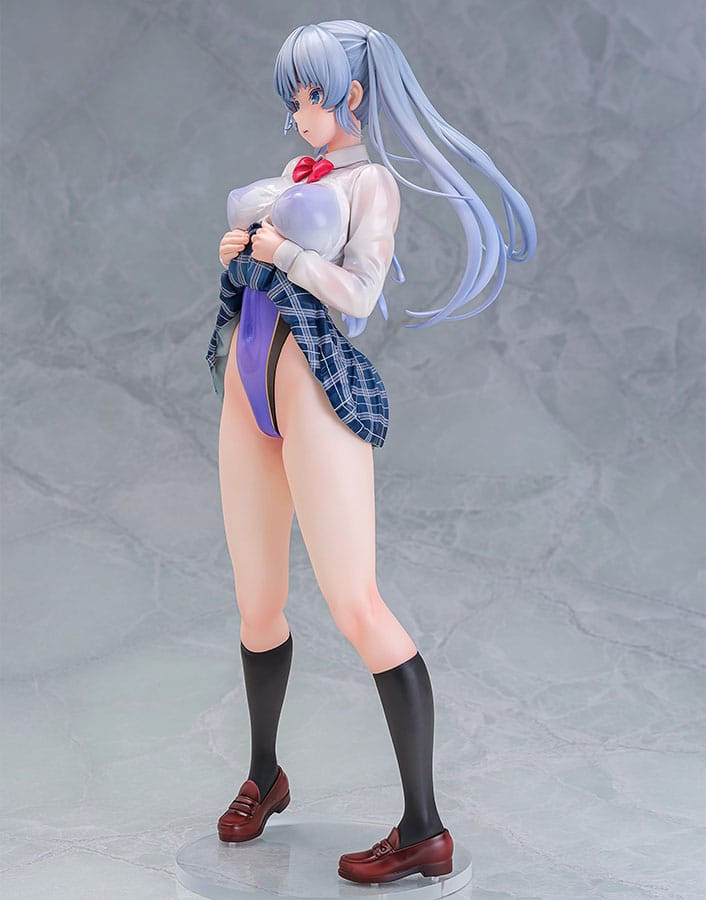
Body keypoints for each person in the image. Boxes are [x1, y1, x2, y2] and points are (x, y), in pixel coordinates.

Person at [208, 19, 536, 885]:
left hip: (312, 393)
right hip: (245, 390)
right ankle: (265, 776)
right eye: (292, 97)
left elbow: (357, 296)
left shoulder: (372, 183)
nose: (298, 111)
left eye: (310, 95)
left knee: (355, 603)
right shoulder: (295, 174)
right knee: (256, 603)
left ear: (350, 94)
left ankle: (425, 828)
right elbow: (266, 273)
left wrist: (283, 252)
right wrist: (241, 256)